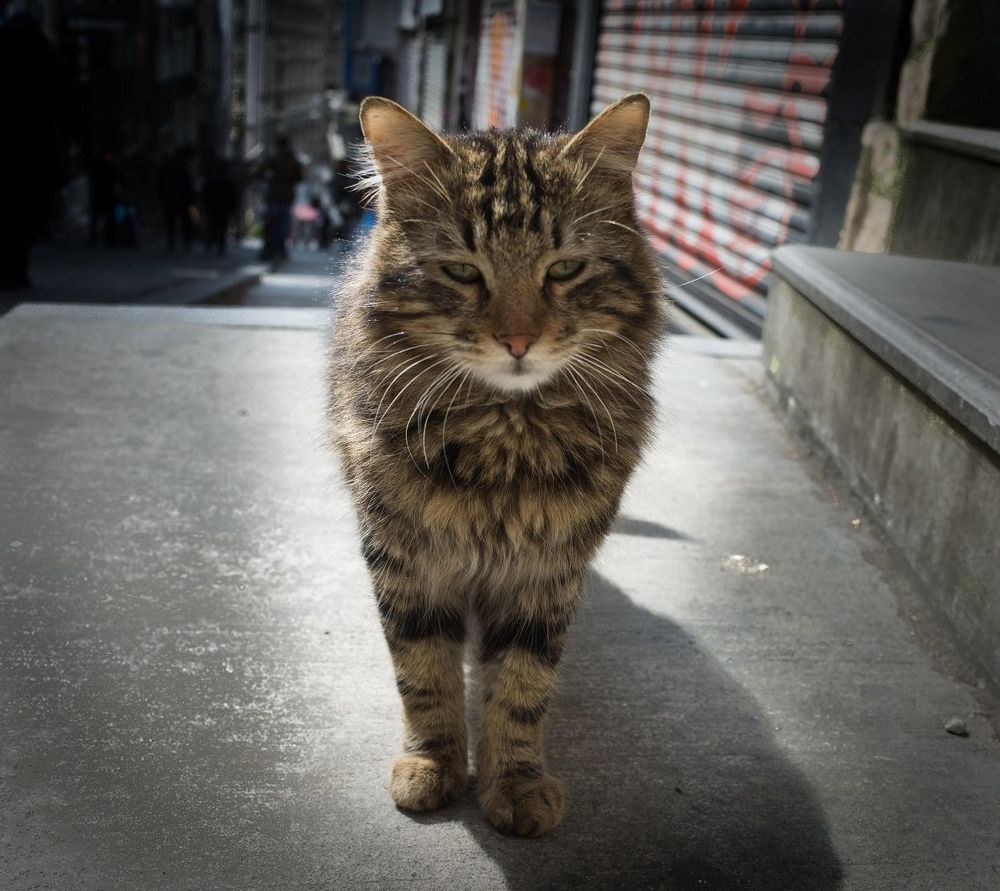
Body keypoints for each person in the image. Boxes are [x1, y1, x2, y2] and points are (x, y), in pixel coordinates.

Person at [0, 3, 71, 290]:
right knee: (26, 213)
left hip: (8, 150)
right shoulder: (44, 55)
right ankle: (15, 267)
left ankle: (9, 266)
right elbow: (64, 101)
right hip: (34, 152)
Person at [260, 135, 303, 265]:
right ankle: (279, 249)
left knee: (273, 223)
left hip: (274, 196)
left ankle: (273, 249)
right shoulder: (293, 161)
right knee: (282, 224)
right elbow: (299, 178)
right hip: (286, 197)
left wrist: (271, 177)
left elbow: (260, 172)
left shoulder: (273, 159)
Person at [157, 146, 197, 251]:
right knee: (184, 221)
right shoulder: (183, 167)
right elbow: (188, 184)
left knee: (172, 221)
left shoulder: (168, 166)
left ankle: (173, 242)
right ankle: (184, 242)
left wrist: (161, 196)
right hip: (181, 199)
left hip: (171, 198)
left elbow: (160, 182)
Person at [202, 159, 240, 256]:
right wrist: (233, 208)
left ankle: (211, 245)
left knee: (212, 226)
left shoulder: (212, 180)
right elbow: (233, 197)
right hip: (223, 209)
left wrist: (206, 205)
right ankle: (220, 247)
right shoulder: (228, 181)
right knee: (221, 228)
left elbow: (205, 194)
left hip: (213, 208)